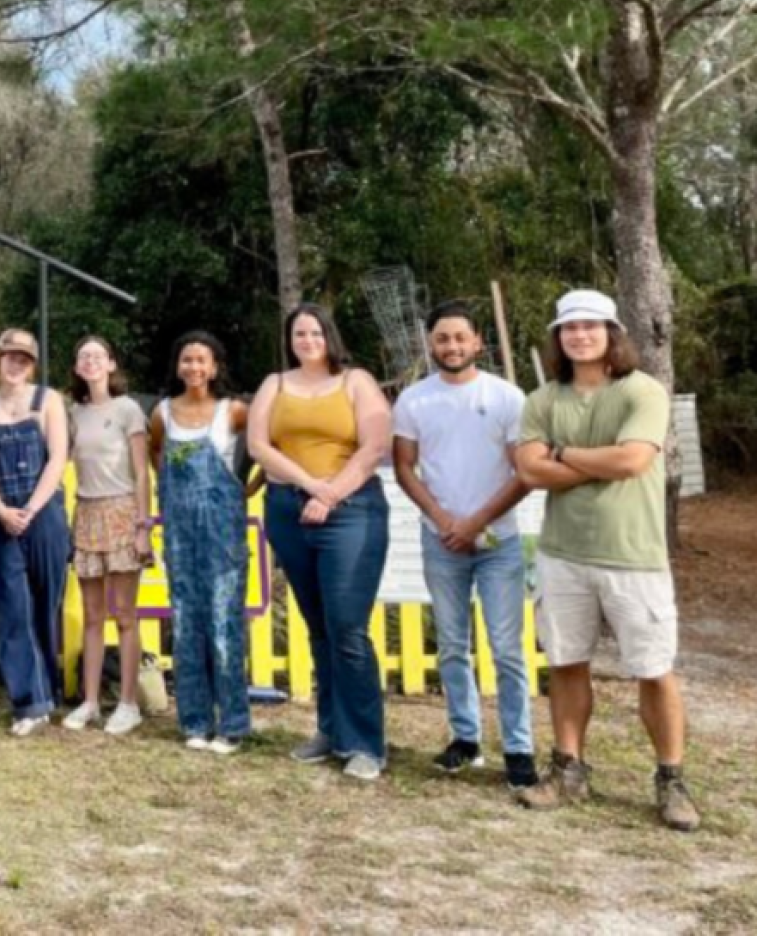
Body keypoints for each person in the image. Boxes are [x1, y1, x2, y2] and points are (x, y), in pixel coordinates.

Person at [512, 289, 699, 832]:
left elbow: (634, 458)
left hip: (633, 555)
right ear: (559, 338)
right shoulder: (544, 399)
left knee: (653, 670)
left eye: (591, 326)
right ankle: (569, 771)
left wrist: (563, 453)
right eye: (569, 329)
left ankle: (671, 779)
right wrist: (599, 461)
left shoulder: (643, 390)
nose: (580, 336)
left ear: (611, 333)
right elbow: (528, 471)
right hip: (562, 553)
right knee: (566, 663)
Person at [391, 301, 536, 788]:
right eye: (442, 339)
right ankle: (465, 738)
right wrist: (443, 519)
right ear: (430, 345)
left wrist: (475, 521)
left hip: (500, 541)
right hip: (441, 540)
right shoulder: (413, 400)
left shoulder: (508, 397)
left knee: (506, 648)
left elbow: (526, 472)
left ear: (478, 342)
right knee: (453, 645)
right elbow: (405, 466)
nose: (451, 347)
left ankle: (518, 747)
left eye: (460, 338)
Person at [247, 304, 392, 781]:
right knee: (319, 628)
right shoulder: (275, 384)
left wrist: (330, 493)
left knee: (348, 628)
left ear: (328, 335)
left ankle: (366, 743)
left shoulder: (357, 382)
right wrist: (310, 486)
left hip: (351, 510)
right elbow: (259, 445)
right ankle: (331, 732)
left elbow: (373, 446)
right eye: (298, 333)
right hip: (290, 509)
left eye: (314, 332)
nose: (307, 340)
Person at [149, 331, 254, 754]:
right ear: (178, 366)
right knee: (186, 622)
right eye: (187, 359)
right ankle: (194, 721)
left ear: (214, 368)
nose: (194, 367)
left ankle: (232, 725)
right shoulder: (162, 413)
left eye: (202, 360)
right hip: (179, 535)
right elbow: (155, 455)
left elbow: (269, 445)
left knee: (223, 621)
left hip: (223, 534)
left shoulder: (232, 412)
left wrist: (245, 488)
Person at [0, 328, 71, 737]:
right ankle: (28, 701)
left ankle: (48, 690)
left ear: (33, 365)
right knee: (13, 608)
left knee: (47, 603)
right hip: (0, 520)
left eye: (24, 359)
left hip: (43, 515)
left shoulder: (48, 401)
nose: (15, 365)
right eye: (9, 357)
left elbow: (58, 457)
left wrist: (30, 509)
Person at [63, 336, 152, 736]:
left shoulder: (128, 409)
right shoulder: (73, 413)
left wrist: (142, 526)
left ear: (111, 364)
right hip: (86, 513)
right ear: (78, 367)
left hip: (121, 512)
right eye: (84, 356)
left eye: (99, 355)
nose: (91, 362)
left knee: (125, 616)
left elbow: (141, 472)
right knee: (93, 615)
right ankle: (91, 700)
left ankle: (128, 702)